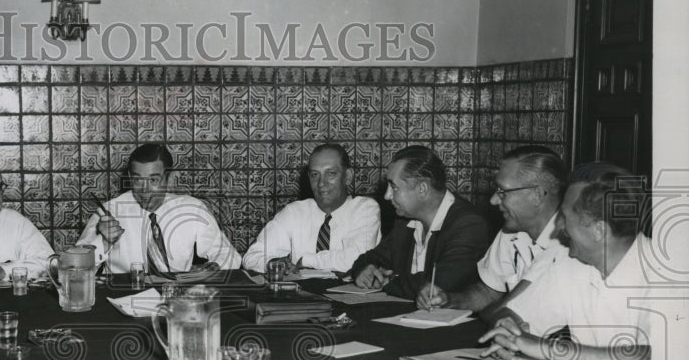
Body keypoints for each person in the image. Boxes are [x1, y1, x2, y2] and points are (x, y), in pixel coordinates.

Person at [480, 165, 655, 360]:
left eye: (564, 217)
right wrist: (507, 335)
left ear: (598, 230)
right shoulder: (572, 263)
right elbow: (512, 314)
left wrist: (546, 349)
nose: (557, 228)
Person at [416, 145, 568, 312]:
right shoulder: (511, 231)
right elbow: (487, 292)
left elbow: (506, 310)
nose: (493, 200)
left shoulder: (570, 245)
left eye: (503, 191)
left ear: (537, 195)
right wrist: (448, 300)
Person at [76, 143, 241, 274]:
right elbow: (75, 267)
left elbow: (229, 256)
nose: (144, 189)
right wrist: (103, 242)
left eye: (154, 180)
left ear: (170, 179)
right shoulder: (109, 211)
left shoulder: (193, 209)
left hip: (176, 300)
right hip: (123, 300)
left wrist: (208, 270)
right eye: (137, 180)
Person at [350, 145, 489, 300]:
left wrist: (388, 281)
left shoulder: (469, 224)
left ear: (422, 189)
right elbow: (371, 258)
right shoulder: (405, 220)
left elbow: (441, 284)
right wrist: (363, 271)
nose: (387, 196)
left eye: (394, 187)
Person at [241, 143, 380, 274]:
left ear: (348, 176)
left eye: (330, 173)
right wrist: (272, 263)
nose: (321, 183)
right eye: (315, 175)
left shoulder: (365, 209)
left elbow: (356, 259)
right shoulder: (294, 212)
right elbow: (252, 256)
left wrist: (306, 261)